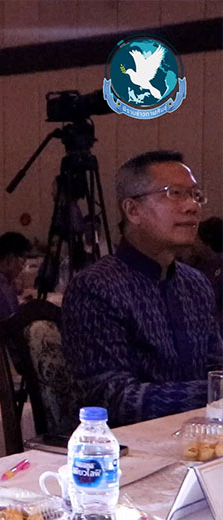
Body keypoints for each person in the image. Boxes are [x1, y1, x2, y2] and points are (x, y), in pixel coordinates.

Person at [62, 151, 223, 426]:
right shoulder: (96, 287)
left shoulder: (195, 284)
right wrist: (211, 392)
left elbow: (215, 367)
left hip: (197, 437)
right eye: (175, 194)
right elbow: (113, 399)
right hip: (125, 445)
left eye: (195, 195)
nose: (192, 207)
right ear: (132, 210)